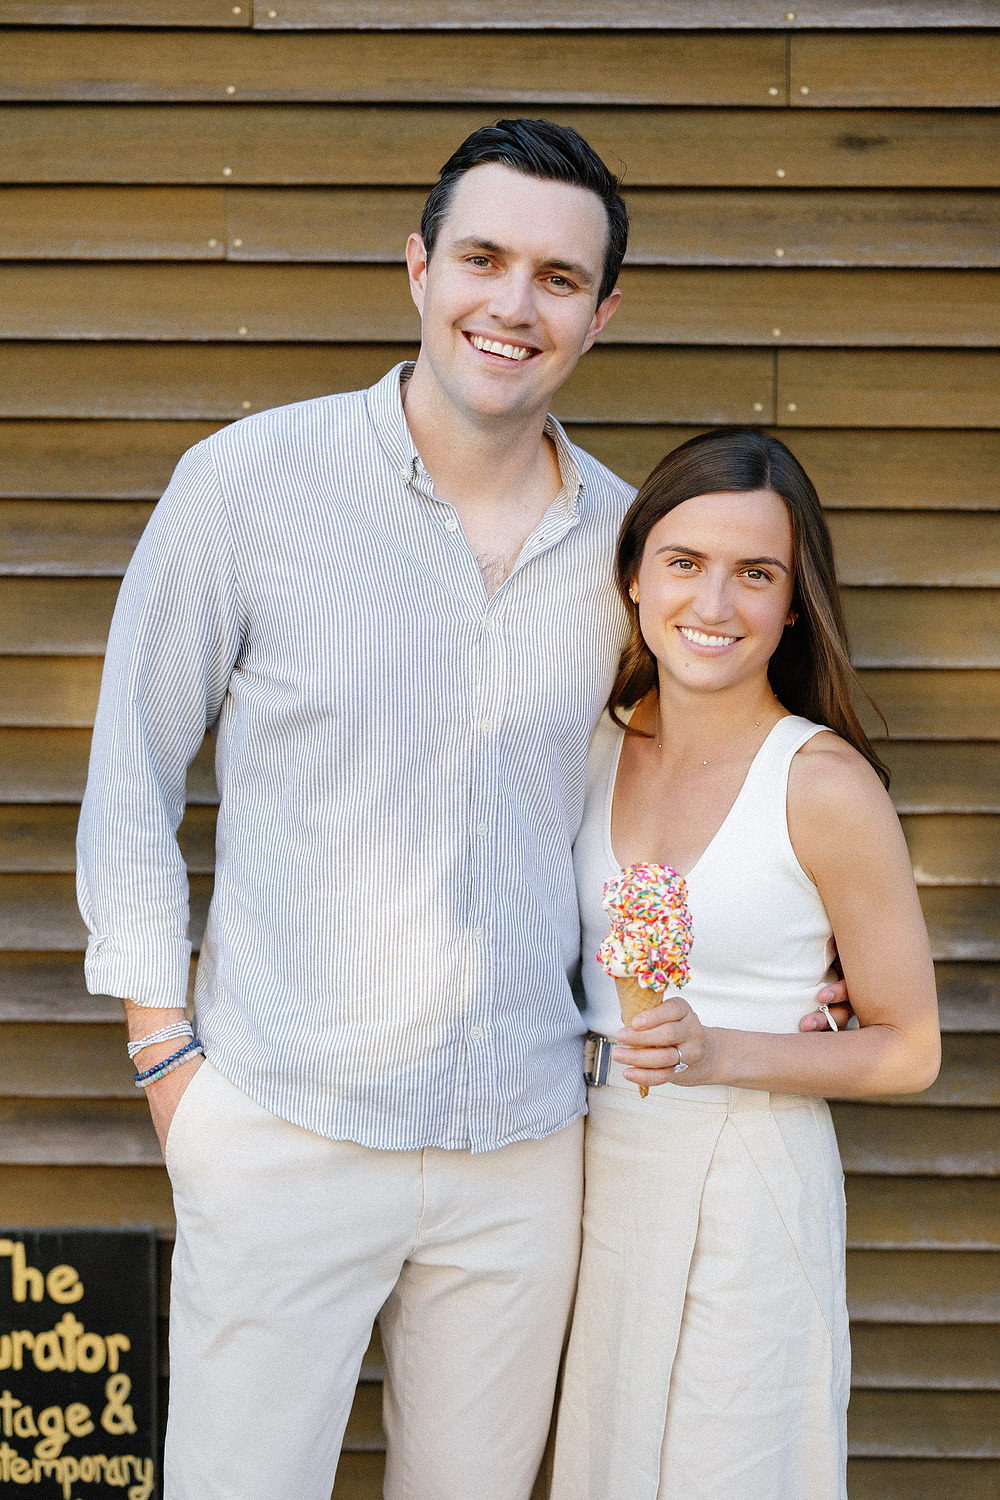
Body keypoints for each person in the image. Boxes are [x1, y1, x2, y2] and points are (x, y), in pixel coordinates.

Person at [76, 119, 850, 1499]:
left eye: (559, 277)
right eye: (484, 258)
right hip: (280, 1118)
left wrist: (797, 943)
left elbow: (673, 786)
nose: (514, 303)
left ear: (601, 315)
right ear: (419, 270)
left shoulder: (633, 550)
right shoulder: (247, 487)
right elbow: (132, 768)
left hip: (522, 1152)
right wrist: (166, 1065)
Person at [550, 428, 940, 1500]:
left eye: (754, 574)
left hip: (746, 1175)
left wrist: (721, 1051)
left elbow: (909, 1050)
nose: (713, 605)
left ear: (792, 602)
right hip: (591, 1167)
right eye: (684, 563)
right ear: (634, 575)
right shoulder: (590, 747)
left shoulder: (820, 786)